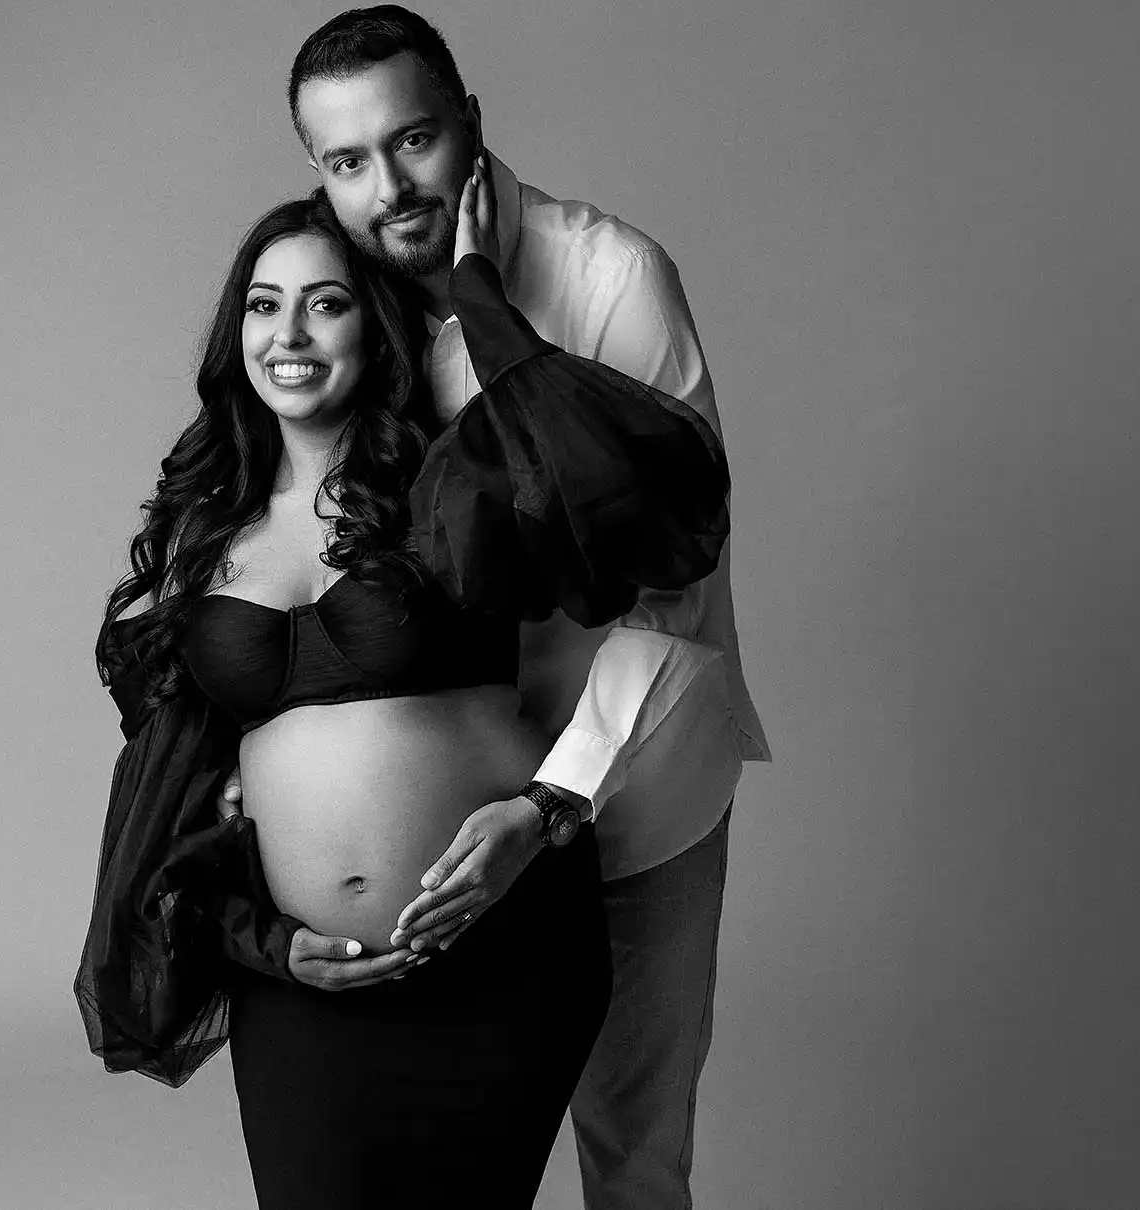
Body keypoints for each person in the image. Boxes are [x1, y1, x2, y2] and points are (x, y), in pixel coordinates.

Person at [76, 168, 731, 1209]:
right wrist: (265, 940)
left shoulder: (457, 481)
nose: (289, 333)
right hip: (303, 983)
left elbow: (643, 500)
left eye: (325, 302)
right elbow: (181, 802)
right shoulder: (204, 533)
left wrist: (478, 299)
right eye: (263, 305)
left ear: (374, 331)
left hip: (499, 953)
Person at [220, 5, 773, 1209]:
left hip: (630, 796)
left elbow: (666, 585)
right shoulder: (349, 309)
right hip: (452, 845)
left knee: (631, 1148)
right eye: (346, 161)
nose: (387, 186)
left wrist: (551, 801)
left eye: (412, 140)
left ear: (469, 122)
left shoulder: (610, 278)